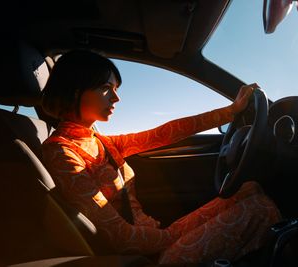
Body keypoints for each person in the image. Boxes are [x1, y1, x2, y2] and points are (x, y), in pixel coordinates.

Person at [41, 50, 281, 264]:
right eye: (106, 88)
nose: (116, 98)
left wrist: (230, 112)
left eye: (116, 90)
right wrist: (174, 235)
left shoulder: (100, 141)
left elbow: (164, 134)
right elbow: (121, 239)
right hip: (145, 257)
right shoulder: (62, 152)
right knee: (258, 208)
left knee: (249, 190)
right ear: (75, 91)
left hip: (157, 237)